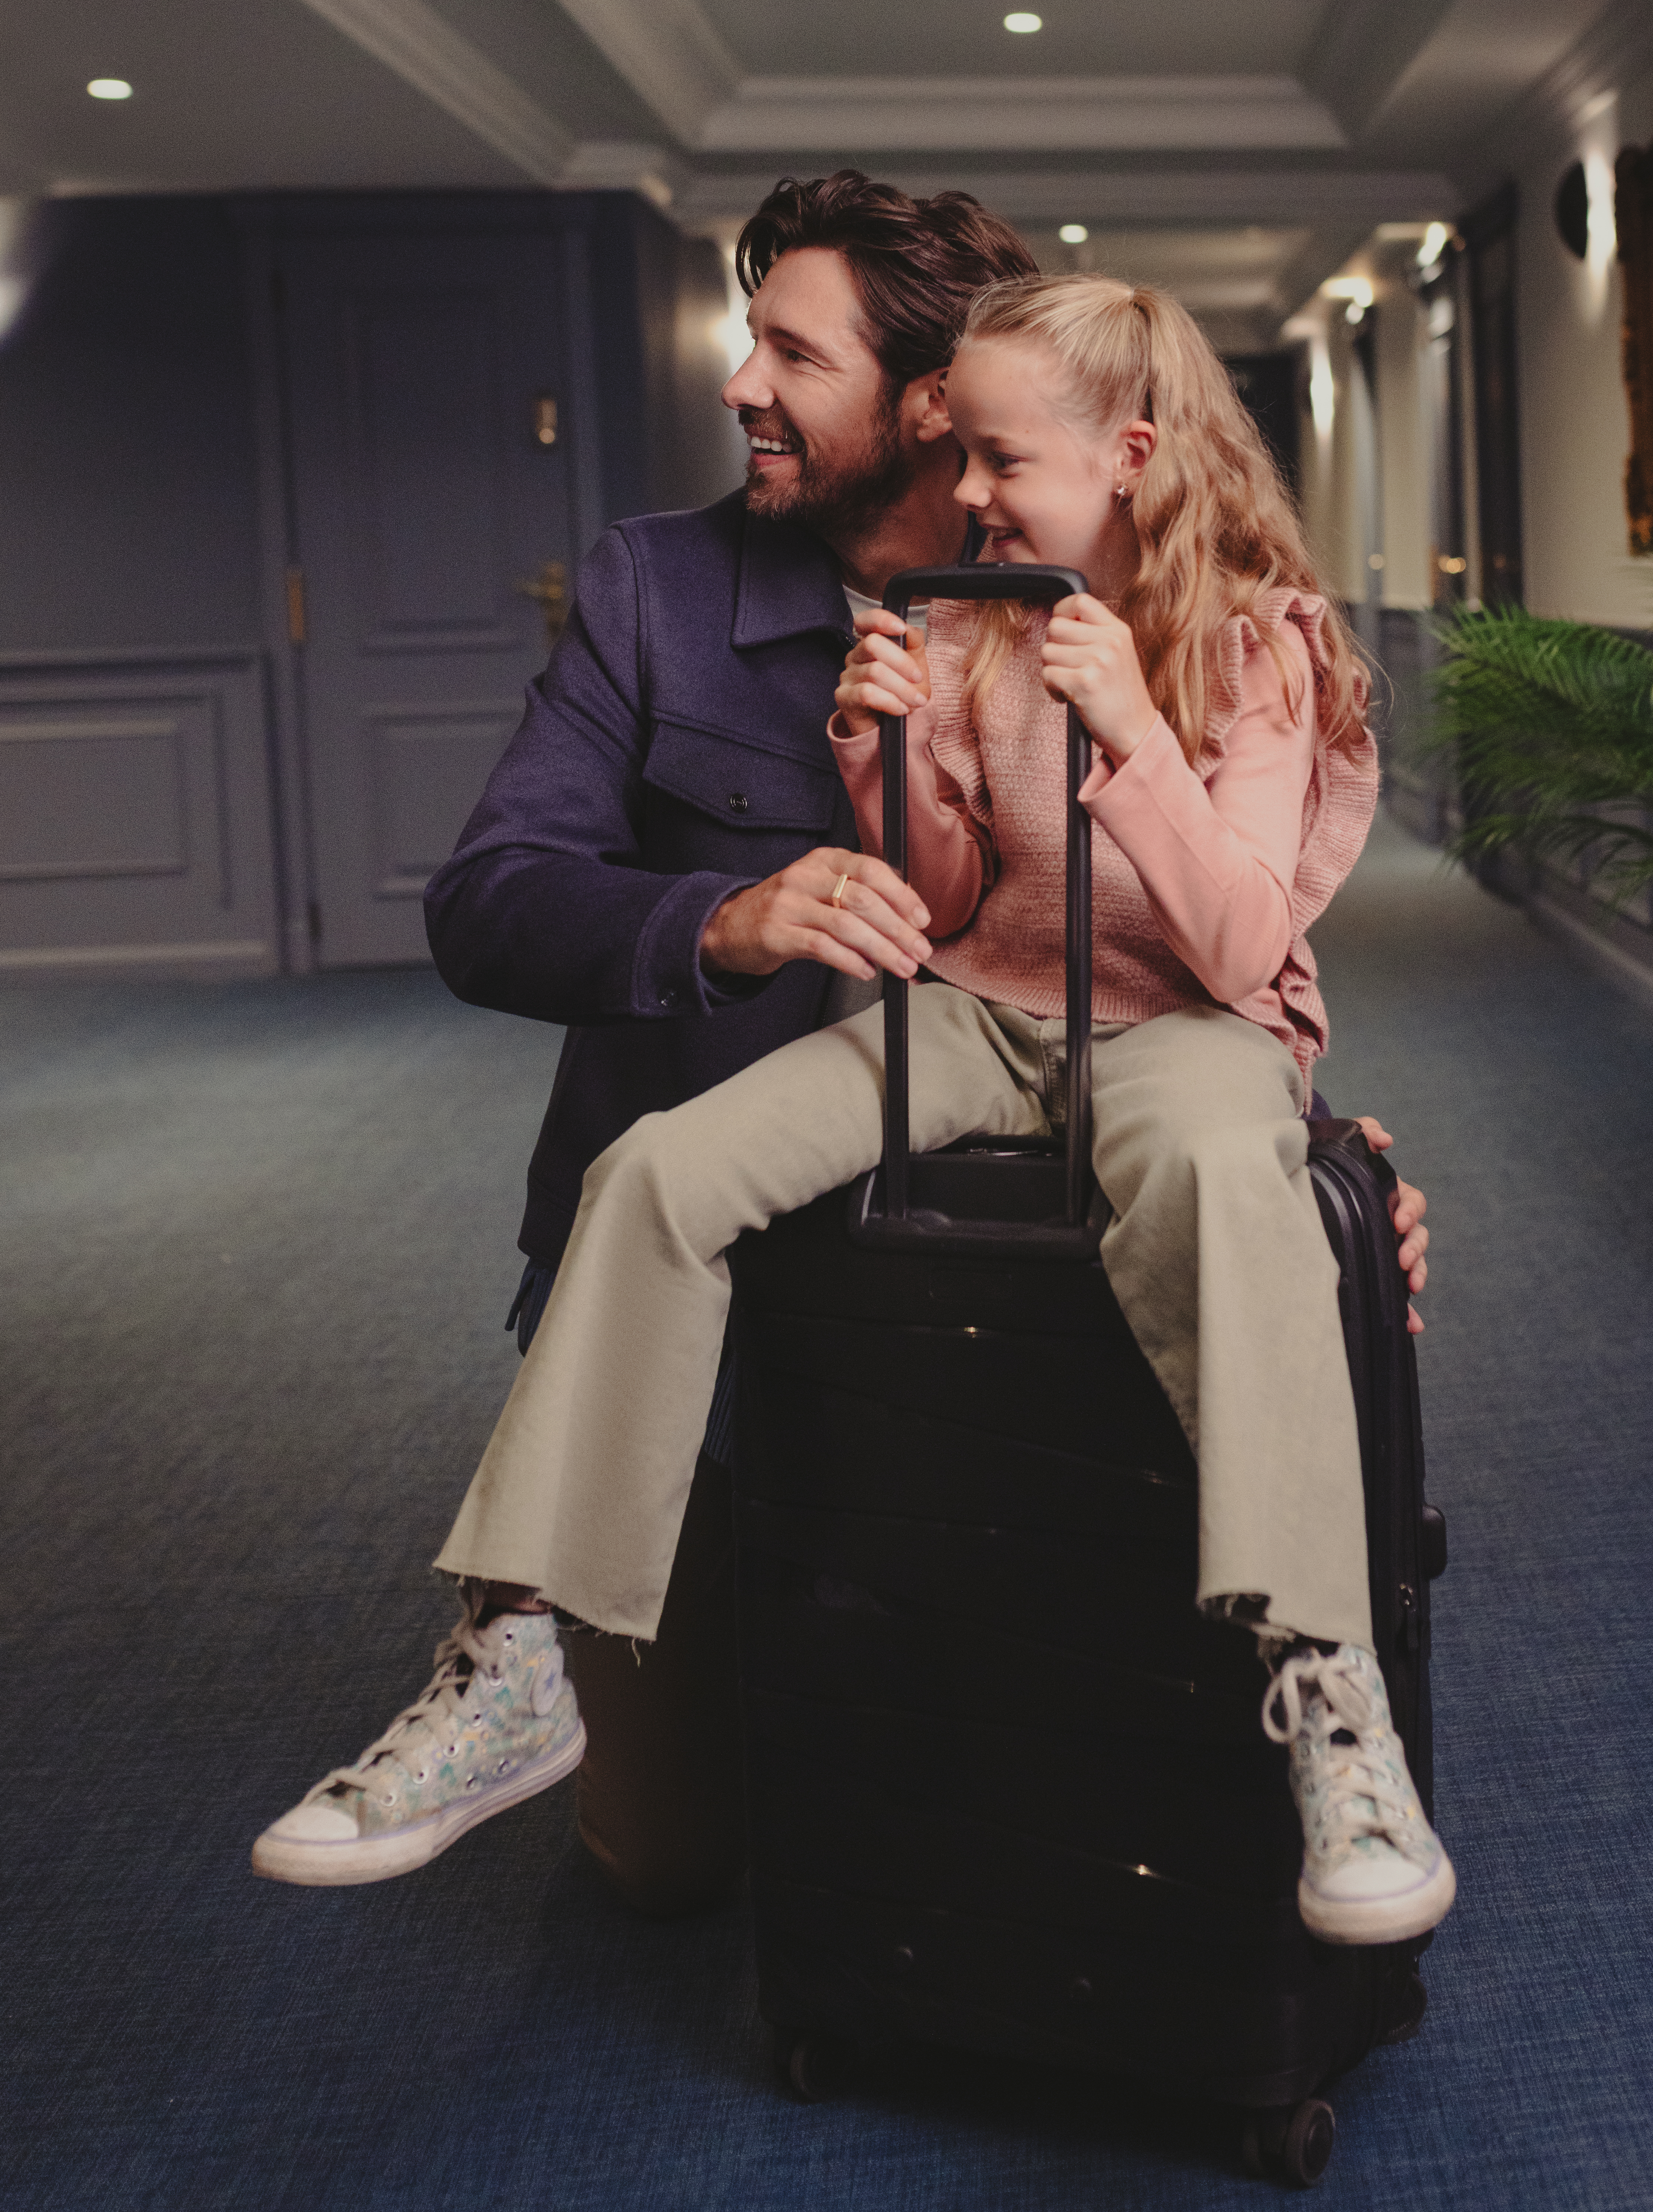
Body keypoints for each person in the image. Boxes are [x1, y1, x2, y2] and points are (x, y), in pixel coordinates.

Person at [254, 208, 1435, 1926]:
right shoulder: (698, 593)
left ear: (941, 403)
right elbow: (912, 905)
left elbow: (1233, 964)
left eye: (793, 353)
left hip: (1115, 1105)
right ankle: (518, 1659)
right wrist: (828, 808)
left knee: (1187, 1214)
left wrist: (1333, 1166)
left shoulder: (1230, 633)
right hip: (844, 1149)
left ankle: (1323, 1684)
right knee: (667, 1846)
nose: (744, 383)